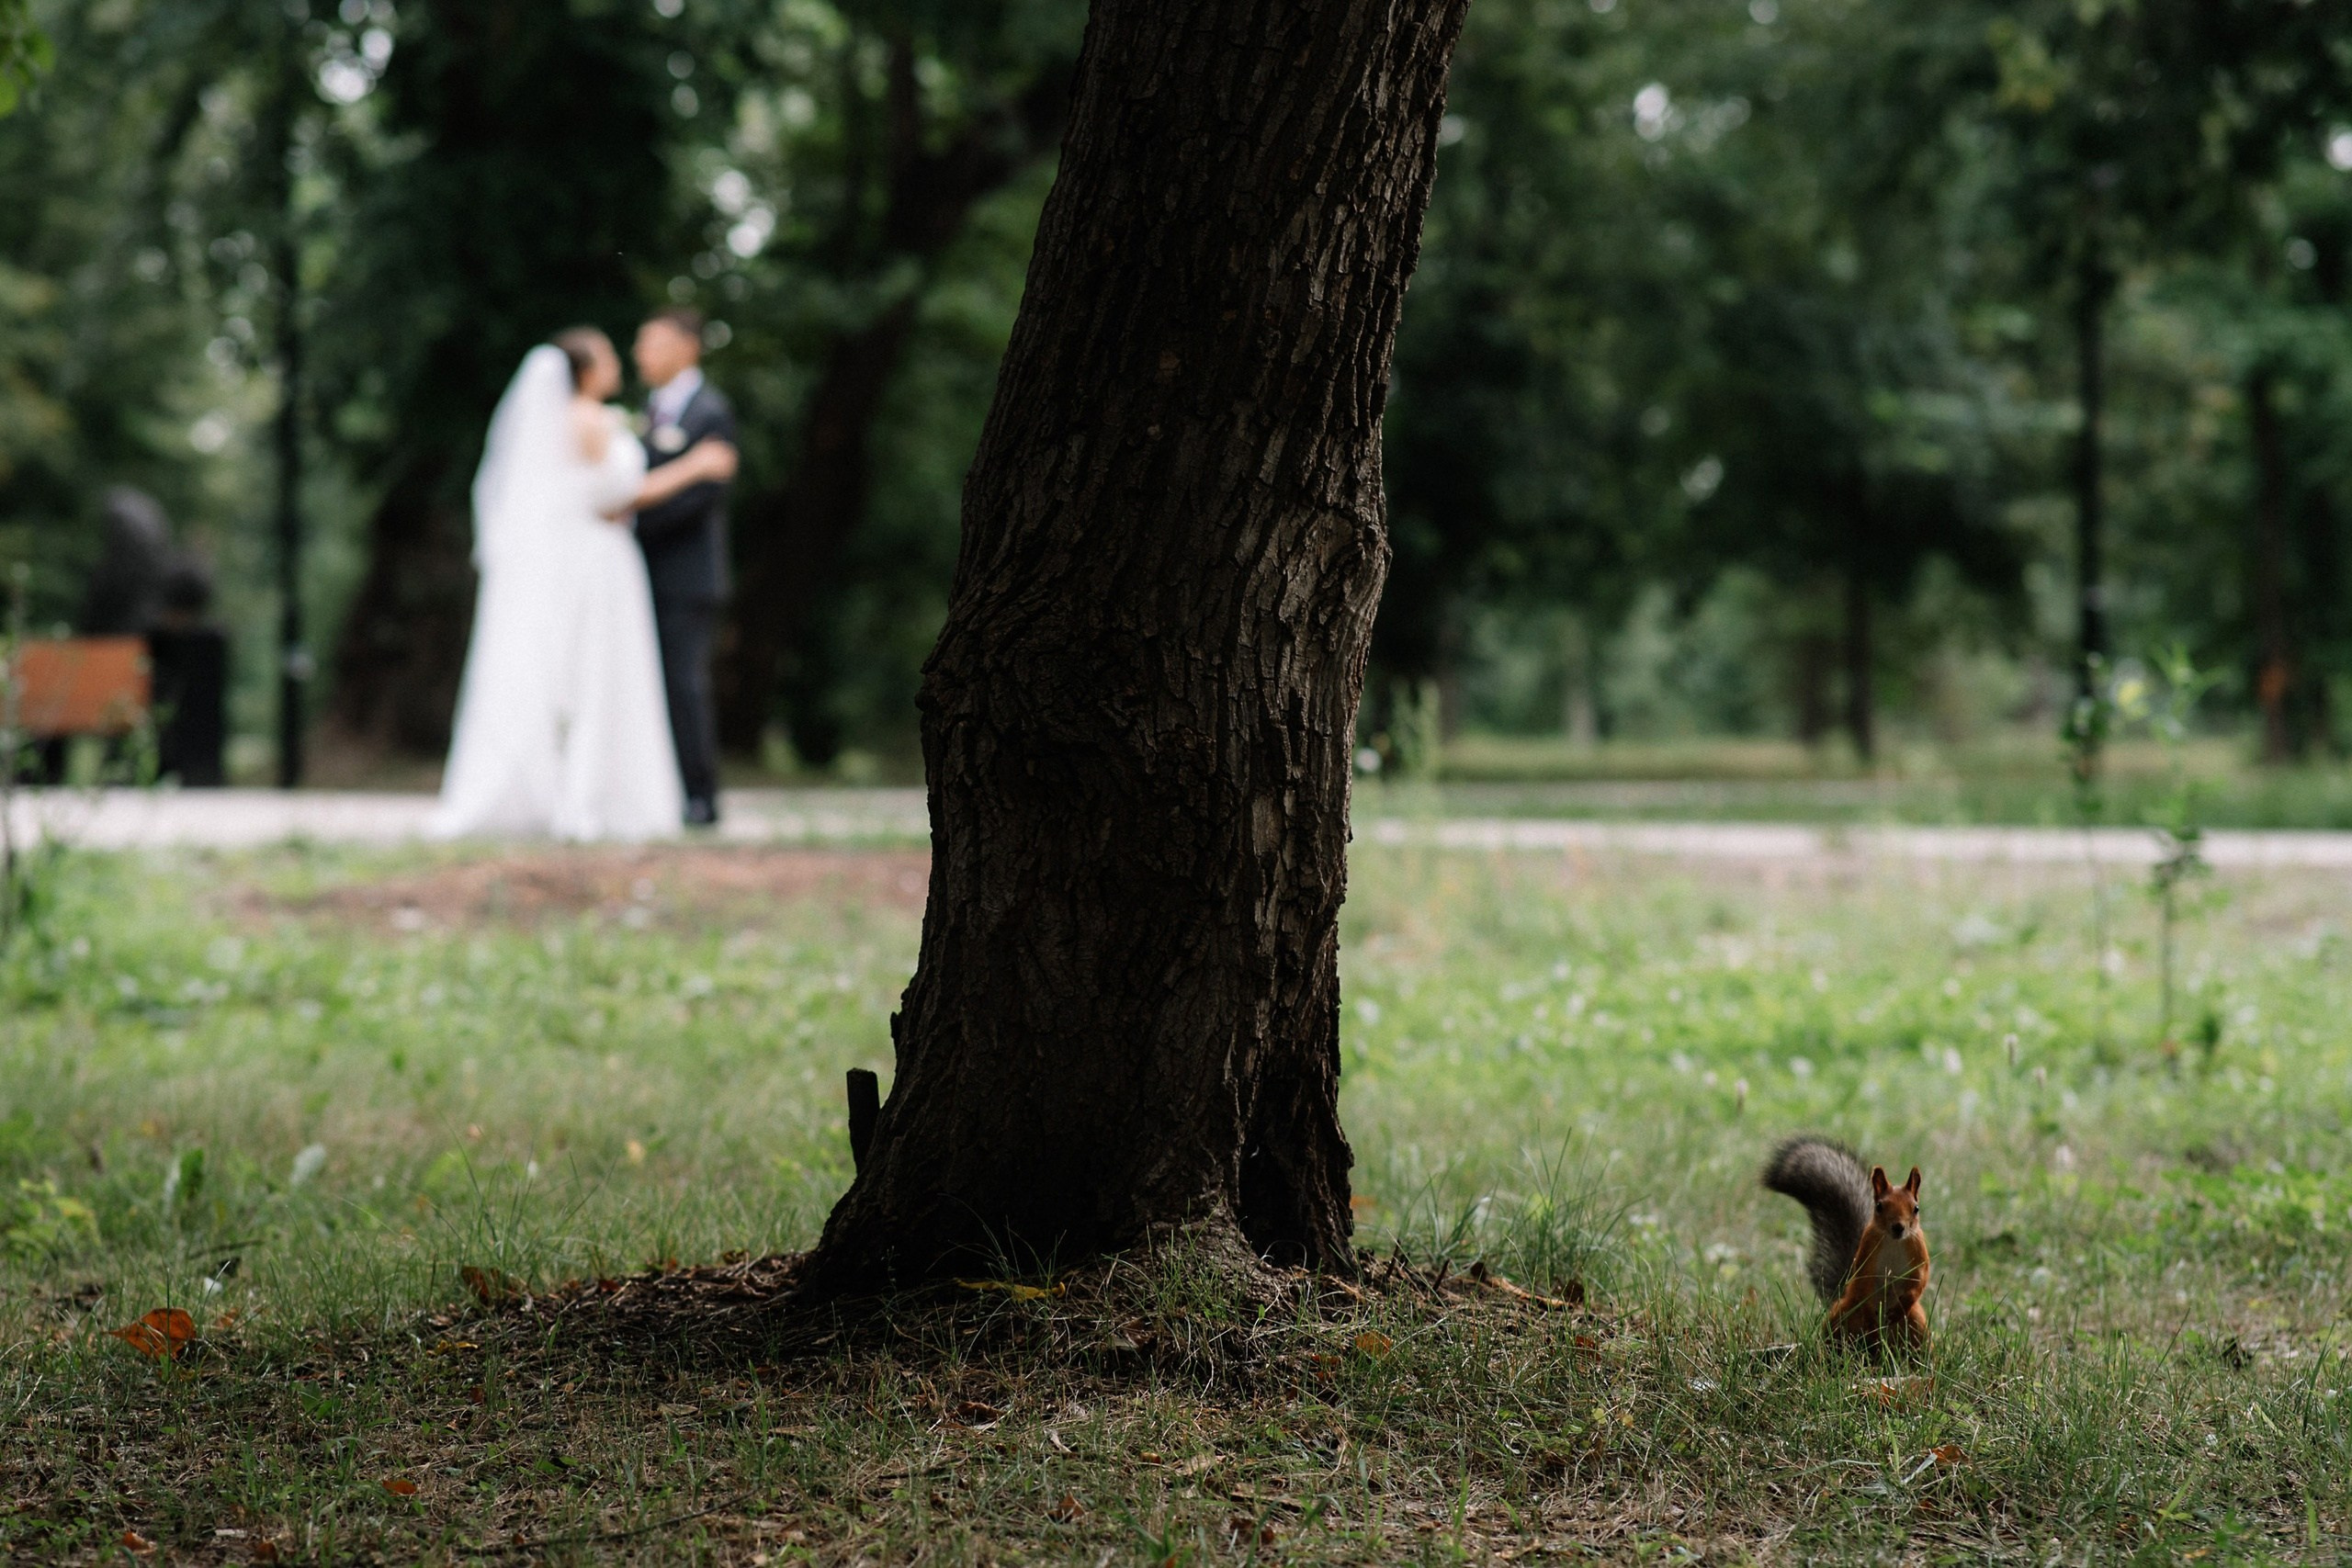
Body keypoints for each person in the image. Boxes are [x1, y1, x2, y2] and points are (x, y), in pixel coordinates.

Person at [431, 329, 731, 841]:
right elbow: (617, 493)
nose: (621, 359)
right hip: (599, 563)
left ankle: (575, 792)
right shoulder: (589, 419)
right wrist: (697, 465)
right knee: (600, 678)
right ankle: (593, 796)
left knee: (589, 676)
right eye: (609, 354)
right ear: (587, 370)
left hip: (591, 557)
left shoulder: (571, 420)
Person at [630, 307, 739, 828]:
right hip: (633, 576)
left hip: (687, 575)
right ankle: (655, 792)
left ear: (686, 348)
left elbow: (702, 495)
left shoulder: (712, 412)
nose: (640, 354)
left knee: (684, 684)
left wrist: (631, 515)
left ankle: (701, 797)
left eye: (650, 343)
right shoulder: (643, 410)